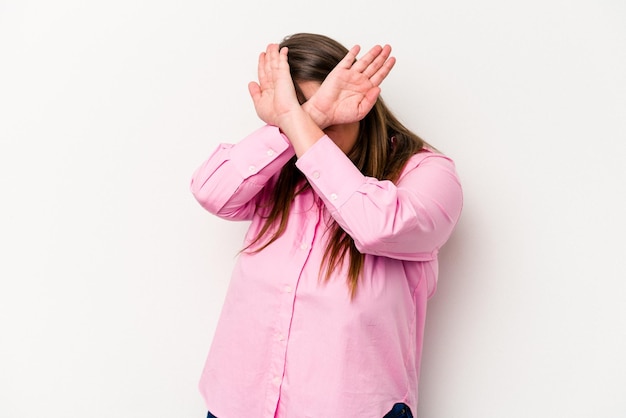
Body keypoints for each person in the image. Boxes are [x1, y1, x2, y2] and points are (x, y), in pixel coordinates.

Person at [190, 33, 463, 418]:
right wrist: (303, 121)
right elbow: (210, 192)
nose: (313, 122)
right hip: (238, 405)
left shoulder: (427, 172)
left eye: (323, 107)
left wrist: (301, 125)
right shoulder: (278, 169)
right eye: (299, 110)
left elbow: (378, 227)